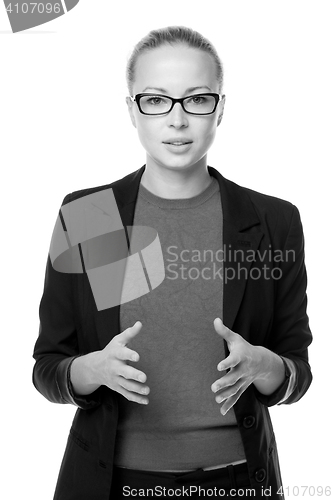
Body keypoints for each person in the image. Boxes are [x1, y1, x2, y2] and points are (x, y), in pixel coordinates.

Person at [32, 26, 312, 500]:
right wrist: (93, 370)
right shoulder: (91, 217)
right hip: (109, 483)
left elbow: (296, 371)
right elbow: (48, 367)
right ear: (132, 111)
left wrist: (265, 365)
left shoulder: (271, 222)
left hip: (239, 480)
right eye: (156, 100)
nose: (177, 120)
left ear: (221, 107)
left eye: (198, 99)